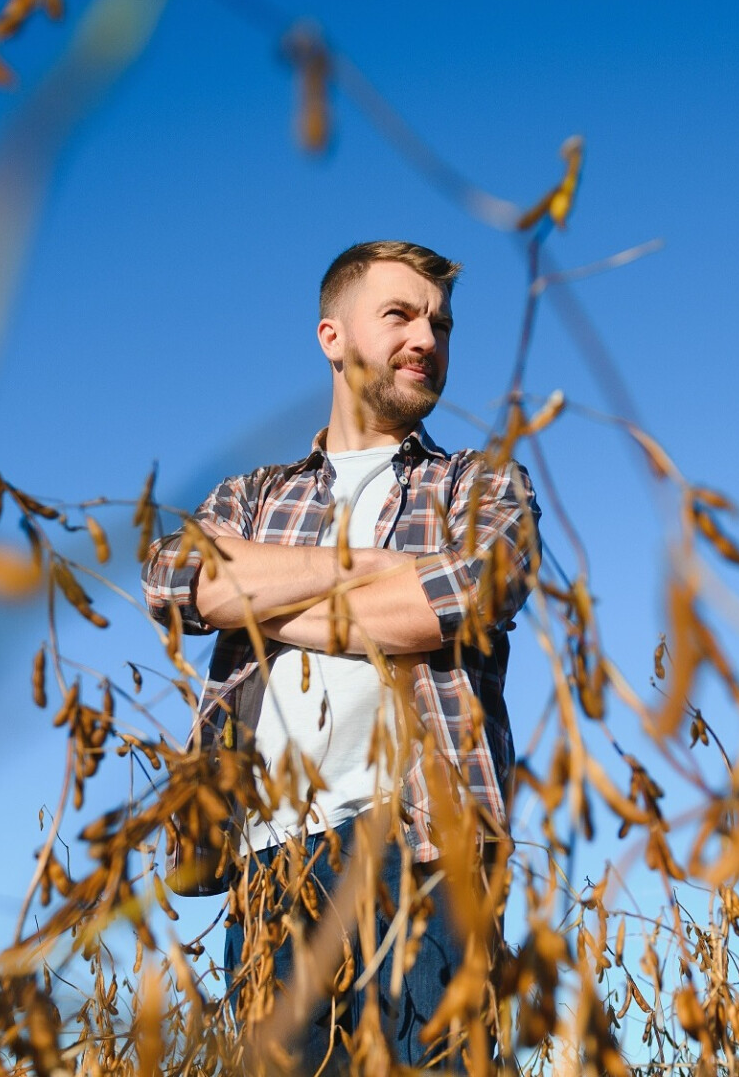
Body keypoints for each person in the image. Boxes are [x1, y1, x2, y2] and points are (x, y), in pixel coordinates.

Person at [141, 240, 537, 1072]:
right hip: (268, 861)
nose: (426, 338)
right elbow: (178, 581)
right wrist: (383, 576)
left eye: (441, 323)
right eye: (399, 314)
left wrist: (263, 599)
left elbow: (471, 592)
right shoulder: (254, 493)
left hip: (424, 850)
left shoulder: (477, 484)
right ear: (331, 336)